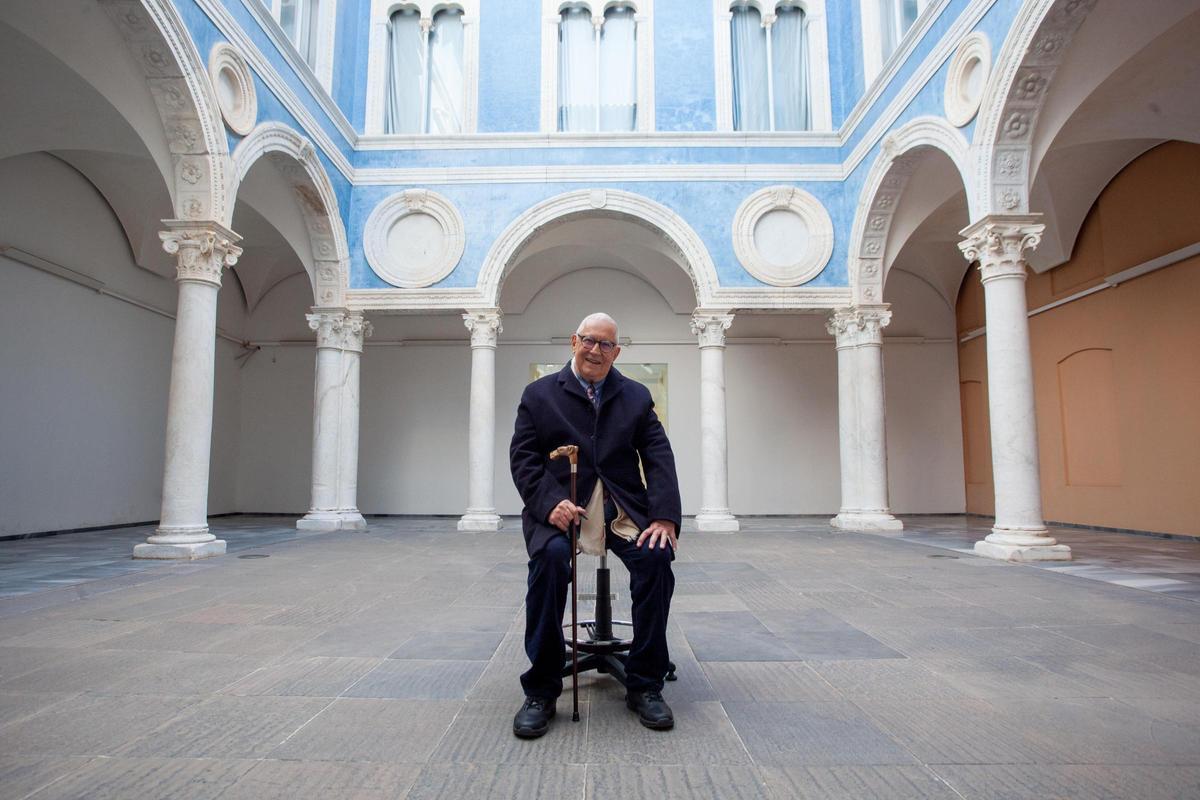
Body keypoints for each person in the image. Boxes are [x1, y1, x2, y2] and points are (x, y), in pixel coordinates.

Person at [509, 312, 681, 738]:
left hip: (622, 508)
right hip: (562, 506)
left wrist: (663, 516)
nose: (596, 351)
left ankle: (645, 682)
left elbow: (658, 456)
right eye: (589, 341)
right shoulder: (539, 394)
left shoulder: (636, 396)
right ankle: (542, 688)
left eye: (606, 345)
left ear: (616, 352)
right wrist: (549, 504)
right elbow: (524, 459)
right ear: (573, 341)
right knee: (549, 563)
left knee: (657, 559)